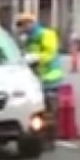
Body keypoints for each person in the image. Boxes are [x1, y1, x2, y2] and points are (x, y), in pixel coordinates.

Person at [16, 11, 62, 146]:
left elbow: (50, 53)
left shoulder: (46, 34)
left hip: (50, 79)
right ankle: (41, 137)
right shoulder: (28, 38)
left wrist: (36, 58)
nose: (22, 28)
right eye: (21, 26)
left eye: (24, 25)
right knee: (39, 112)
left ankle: (49, 140)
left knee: (50, 112)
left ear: (31, 23)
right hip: (35, 81)